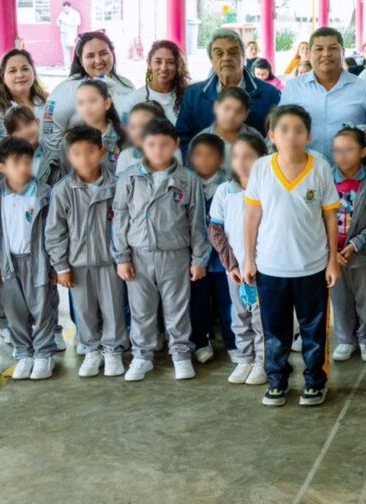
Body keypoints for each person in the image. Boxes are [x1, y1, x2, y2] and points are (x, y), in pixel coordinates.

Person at [243, 105, 342, 407]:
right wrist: (249, 259)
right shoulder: (261, 167)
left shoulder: (320, 167)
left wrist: (332, 260)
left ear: (308, 136)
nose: (291, 135)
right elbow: (251, 216)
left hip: (311, 266)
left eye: (298, 129)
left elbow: (329, 217)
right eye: (283, 129)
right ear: (271, 134)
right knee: (275, 331)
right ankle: (277, 380)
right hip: (270, 267)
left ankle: (315, 380)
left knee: (314, 330)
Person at [112, 118, 209, 383]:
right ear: (142, 145)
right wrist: (122, 257)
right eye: (151, 144)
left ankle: (180, 354)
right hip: (138, 254)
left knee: (177, 307)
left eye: (165, 144)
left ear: (176, 145)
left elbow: (197, 222)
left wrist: (199, 258)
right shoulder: (130, 177)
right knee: (141, 309)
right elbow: (120, 219)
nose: (158, 150)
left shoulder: (187, 179)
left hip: (175, 253)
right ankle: (142, 356)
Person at [46, 124, 126, 377]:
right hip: (78, 263)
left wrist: (124, 257)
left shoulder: (117, 186)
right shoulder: (62, 190)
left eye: (90, 152)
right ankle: (92, 350)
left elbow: (126, 223)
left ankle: (113, 350)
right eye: (77, 153)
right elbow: (55, 231)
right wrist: (61, 266)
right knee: (84, 310)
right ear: (69, 156)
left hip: (110, 261)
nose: (84, 158)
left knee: (114, 307)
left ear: (102, 152)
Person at [0, 137, 56, 380]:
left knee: (43, 309)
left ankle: (44, 354)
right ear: (2, 167)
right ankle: (24, 353)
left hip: (38, 263)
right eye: (17, 162)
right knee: (14, 311)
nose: (24, 167)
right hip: (7, 264)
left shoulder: (44, 193)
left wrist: (55, 265)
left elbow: (53, 232)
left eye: (28, 161)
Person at [207, 132, 269, 386]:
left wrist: (259, 262)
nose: (242, 163)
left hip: (264, 267)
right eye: (237, 157)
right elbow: (216, 231)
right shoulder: (225, 191)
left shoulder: (267, 189)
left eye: (249, 157)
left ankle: (263, 361)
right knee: (240, 314)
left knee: (261, 317)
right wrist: (231, 264)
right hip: (235, 270)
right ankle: (245, 358)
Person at [279, 27, 366, 161]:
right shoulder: (293, 88)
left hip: (348, 175)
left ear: (343, 52)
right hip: (303, 172)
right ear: (310, 54)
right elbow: (280, 130)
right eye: (319, 49)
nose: (326, 54)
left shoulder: (363, 89)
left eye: (333, 48)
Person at [41, 31, 134, 163]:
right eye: (90, 56)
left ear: (112, 54)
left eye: (104, 53)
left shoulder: (126, 85)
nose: (98, 60)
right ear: (81, 60)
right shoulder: (63, 91)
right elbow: (48, 130)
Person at [178, 30, 281, 149]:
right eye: (219, 53)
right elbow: (182, 138)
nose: (226, 58)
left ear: (244, 57)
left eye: (233, 52)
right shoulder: (193, 94)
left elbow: (278, 137)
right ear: (211, 60)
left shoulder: (270, 94)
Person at [329, 127, 366, 364]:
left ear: (362, 152)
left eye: (348, 149)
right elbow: (316, 219)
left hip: (362, 254)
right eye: (337, 150)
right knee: (340, 299)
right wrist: (331, 251)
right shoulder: (326, 180)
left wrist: (356, 244)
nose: (342, 155)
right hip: (333, 255)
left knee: (365, 298)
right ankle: (346, 339)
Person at [186, 134, 231, 366]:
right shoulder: (186, 183)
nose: (203, 160)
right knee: (198, 302)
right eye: (198, 155)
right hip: (196, 259)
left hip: (223, 259)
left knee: (228, 302)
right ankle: (200, 343)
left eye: (210, 155)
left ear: (221, 158)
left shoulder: (229, 185)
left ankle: (233, 343)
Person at [121, 40, 188, 124]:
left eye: (170, 62)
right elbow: (124, 131)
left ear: (177, 66)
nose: (163, 68)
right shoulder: (133, 100)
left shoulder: (187, 97)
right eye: (158, 62)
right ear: (149, 64)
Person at [0, 49, 47, 138]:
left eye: (25, 69)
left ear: (33, 72)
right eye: (12, 71)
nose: (20, 75)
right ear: (2, 77)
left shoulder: (49, 100)